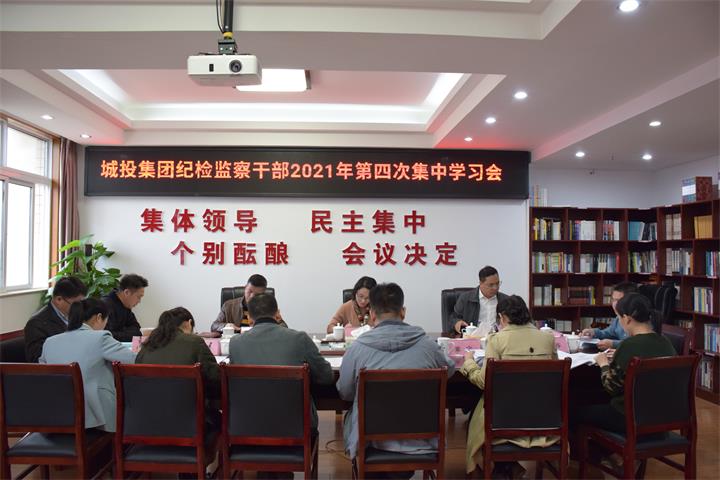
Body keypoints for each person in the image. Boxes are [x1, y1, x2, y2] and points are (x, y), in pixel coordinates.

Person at [337, 282, 455, 471]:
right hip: (422, 439)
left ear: (372, 314)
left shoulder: (357, 349)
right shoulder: (428, 346)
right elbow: (449, 370)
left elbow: (346, 392)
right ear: (403, 312)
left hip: (371, 442)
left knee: (352, 413)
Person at [460, 295, 558, 477]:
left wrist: (468, 363)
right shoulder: (548, 338)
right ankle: (507, 467)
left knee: (476, 415)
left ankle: (501, 467)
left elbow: (484, 382)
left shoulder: (497, 340)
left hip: (503, 419)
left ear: (503, 317)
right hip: (542, 417)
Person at [574, 293, 676, 437]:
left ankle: (590, 449)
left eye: (619, 318)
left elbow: (611, 388)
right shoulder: (666, 342)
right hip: (660, 415)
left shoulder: (629, 345)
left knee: (574, 409)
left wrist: (603, 364)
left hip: (627, 416)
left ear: (627, 319)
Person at [229, 293, 333, 430]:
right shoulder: (299, 339)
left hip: (245, 426)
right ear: (278, 314)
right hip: (295, 427)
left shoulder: (235, 343)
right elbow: (327, 376)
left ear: (249, 318)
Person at [39, 298, 136, 432]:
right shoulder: (100, 338)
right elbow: (134, 360)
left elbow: (42, 374)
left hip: (57, 414)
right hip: (94, 416)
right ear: (99, 317)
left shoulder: (49, 342)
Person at [135, 307, 221, 458]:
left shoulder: (146, 347)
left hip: (147, 424)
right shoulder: (194, 342)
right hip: (189, 425)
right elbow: (216, 380)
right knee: (219, 418)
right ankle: (206, 460)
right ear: (188, 323)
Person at [24, 276, 87, 362]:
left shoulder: (77, 316)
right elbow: (37, 359)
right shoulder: (36, 324)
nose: (80, 308)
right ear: (59, 299)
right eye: (76, 304)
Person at [211, 274, 286, 333]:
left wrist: (277, 321)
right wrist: (227, 326)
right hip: (236, 341)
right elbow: (214, 326)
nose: (252, 296)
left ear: (263, 294)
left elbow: (284, 328)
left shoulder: (268, 307)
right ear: (245, 287)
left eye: (257, 294)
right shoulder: (229, 305)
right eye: (250, 291)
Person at [448, 265, 508, 337]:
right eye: (491, 285)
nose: (495, 288)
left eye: (497, 283)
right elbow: (453, 318)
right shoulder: (465, 298)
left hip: (498, 338)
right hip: (473, 338)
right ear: (480, 283)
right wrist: (457, 323)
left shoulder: (505, 300)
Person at [581, 282, 638, 350]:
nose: (615, 304)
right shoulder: (618, 318)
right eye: (613, 300)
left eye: (619, 300)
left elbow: (636, 343)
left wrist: (613, 344)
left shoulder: (639, 318)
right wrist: (593, 332)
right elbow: (608, 333)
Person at [102, 273, 148, 342]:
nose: (139, 301)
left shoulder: (126, 306)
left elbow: (137, 330)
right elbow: (108, 336)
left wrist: (121, 333)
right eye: (138, 297)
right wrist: (127, 332)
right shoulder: (105, 306)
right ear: (127, 292)